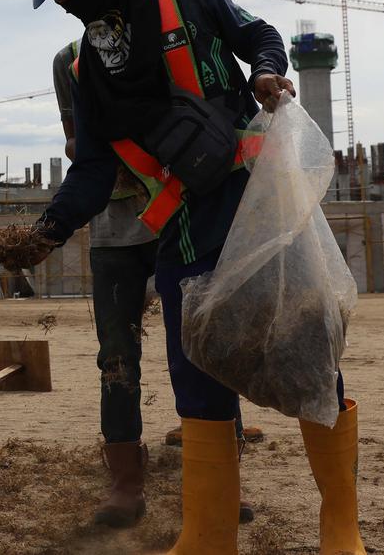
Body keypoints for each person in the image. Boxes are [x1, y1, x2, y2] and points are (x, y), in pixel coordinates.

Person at [11, 0, 364, 555]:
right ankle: (207, 537)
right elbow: (91, 168)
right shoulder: (90, 70)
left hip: (259, 215)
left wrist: (262, 73)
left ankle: (340, 527)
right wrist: (46, 231)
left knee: (306, 355)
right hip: (180, 234)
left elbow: (255, 33)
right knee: (194, 374)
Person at [55, 35, 256, 529]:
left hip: (185, 221)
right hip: (116, 233)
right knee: (117, 356)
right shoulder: (70, 63)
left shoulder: (170, 37)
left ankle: (222, 483)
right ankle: (126, 485)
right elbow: (77, 144)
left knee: (204, 348)